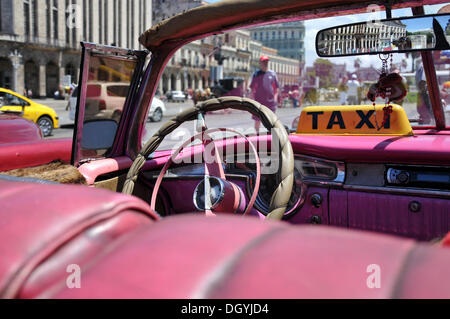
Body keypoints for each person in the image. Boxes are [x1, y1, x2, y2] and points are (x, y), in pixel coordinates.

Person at [249, 55, 279, 132]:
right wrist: (252, 100)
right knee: (257, 120)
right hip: (259, 101)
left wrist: (275, 99)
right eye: (264, 62)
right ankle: (257, 135)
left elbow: (276, 88)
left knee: (272, 120)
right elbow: (252, 89)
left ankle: (272, 136)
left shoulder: (272, 74)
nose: (266, 63)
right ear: (260, 63)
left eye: (266, 62)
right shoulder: (256, 74)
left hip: (270, 102)